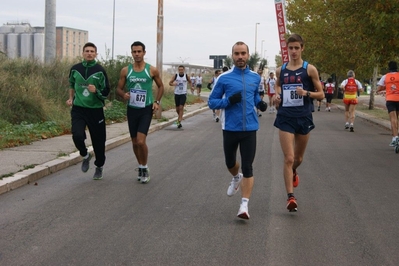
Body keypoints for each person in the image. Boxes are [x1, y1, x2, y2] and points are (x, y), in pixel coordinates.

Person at [208, 41, 267, 220]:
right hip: (230, 127)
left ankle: (244, 205)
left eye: (243, 53)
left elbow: (255, 95)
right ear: (232, 56)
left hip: (250, 127)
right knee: (230, 162)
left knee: (248, 166)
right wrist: (227, 102)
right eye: (237, 53)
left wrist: (260, 103)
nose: (240, 57)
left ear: (248, 55)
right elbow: (212, 102)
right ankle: (235, 177)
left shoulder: (255, 78)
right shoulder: (224, 78)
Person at [273, 34, 324, 212]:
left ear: (302, 48)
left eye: (296, 48)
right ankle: (290, 197)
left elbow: (321, 94)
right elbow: (278, 85)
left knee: (298, 159)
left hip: (303, 117)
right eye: (290, 48)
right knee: (288, 158)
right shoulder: (282, 70)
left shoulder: (309, 69)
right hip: (285, 116)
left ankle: (294, 171)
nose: (293, 51)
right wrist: (277, 95)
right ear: (286, 49)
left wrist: (307, 93)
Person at [116, 41, 164, 184]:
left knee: (141, 141)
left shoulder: (152, 70)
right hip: (132, 109)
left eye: (139, 51)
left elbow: (161, 87)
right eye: (134, 52)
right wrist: (123, 94)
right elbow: (118, 89)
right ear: (131, 53)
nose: (136, 54)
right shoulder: (126, 70)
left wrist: (157, 102)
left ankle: (144, 167)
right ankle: (140, 165)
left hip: (145, 109)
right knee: (134, 142)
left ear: (144, 52)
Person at [66, 42, 110, 180]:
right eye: (87, 51)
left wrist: (96, 91)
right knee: (77, 135)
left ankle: (99, 166)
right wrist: (70, 98)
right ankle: (85, 155)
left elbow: (106, 91)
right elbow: (72, 85)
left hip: (95, 110)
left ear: (96, 54)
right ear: (83, 53)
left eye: (92, 51)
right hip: (78, 108)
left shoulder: (100, 70)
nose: (89, 53)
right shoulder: (75, 69)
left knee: (98, 142)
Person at [376, 61, 399, 146]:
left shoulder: (385, 76)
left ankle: (396, 137)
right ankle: (394, 137)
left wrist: (387, 86)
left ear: (389, 67)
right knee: (397, 118)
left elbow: (379, 88)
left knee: (393, 119)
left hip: (390, 99)